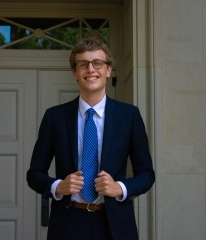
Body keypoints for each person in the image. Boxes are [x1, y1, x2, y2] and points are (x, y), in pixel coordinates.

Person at [27, 37, 155, 240]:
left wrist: (119, 188)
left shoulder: (129, 116)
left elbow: (147, 174)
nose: (91, 69)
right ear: (74, 73)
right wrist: (58, 186)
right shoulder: (55, 117)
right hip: (68, 222)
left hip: (115, 224)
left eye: (97, 63)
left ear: (108, 70)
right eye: (83, 64)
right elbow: (34, 174)